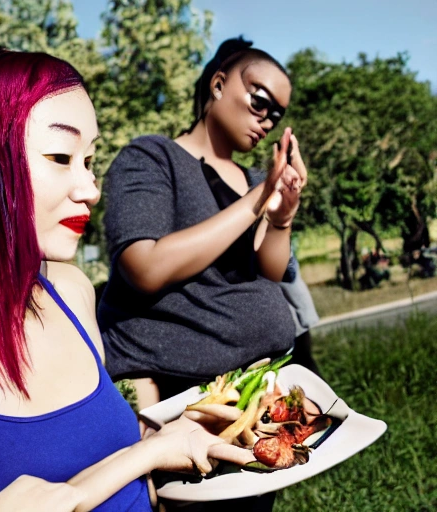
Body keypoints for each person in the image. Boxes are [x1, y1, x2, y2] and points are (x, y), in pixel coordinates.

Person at [0, 49, 253, 512]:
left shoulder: (70, 291)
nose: (90, 189)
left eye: (90, 159)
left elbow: (97, 458)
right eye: (61, 156)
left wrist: (169, 440)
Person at [98, 37, 307, 510]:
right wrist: (257, 202)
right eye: (260, 101)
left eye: (277, 114)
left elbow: (271, 273)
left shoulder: (255, 180)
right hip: (182, 402)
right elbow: (145, 267)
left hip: (253, 398)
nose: (267, 120)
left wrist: (281, 214)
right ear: (217, 84)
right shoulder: (152, 157)